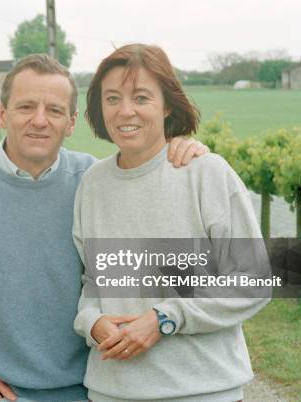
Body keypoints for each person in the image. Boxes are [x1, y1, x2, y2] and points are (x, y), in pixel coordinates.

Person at [0, 54, 208, 402]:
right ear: (2, 113)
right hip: (0, 394)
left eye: (55, 110)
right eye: (26, 107)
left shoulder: (97, 183)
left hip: (93, 389)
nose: (40, 121)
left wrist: (178, 150)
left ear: (71, 122)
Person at [73, 44, 270, 402]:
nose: (125, 110)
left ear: (167, 106)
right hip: (111, 392)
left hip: (203, 392)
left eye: (141, 97)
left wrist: (166, 317)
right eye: (112, 98)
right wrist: (92, 322)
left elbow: (253, 281)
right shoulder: (92, 184)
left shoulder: (206, 173)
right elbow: (93, 280)